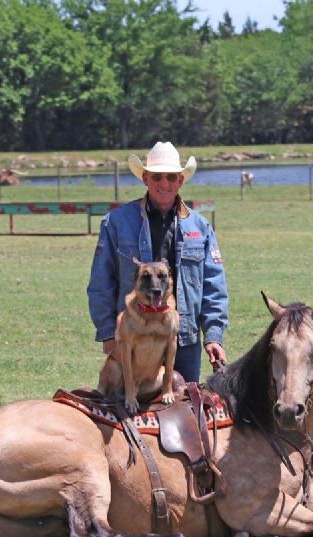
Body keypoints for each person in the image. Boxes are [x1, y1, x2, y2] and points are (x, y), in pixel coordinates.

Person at [87, 141, 228, 383]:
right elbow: (101, 282)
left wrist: (213, 336)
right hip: (133, 335)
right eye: (157, 177)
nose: (164, 184)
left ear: (181, 181)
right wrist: (109, 333)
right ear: (145, 178)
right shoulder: (116, 223)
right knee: (130, 413)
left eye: (172, 177)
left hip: (182, 337)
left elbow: (213, 285)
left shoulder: (200, 227)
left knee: (185, 411)